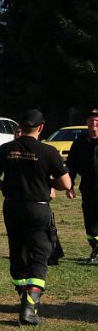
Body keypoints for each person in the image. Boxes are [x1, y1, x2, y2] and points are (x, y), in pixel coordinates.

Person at [0, 109, 72, 325]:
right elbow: (66, 184)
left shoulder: (6, 149)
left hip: (12, 207)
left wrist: (8, 188)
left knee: (18, 250)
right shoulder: (49, 152)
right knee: (40, 254)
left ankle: (24, 297)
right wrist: (48, 184)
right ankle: (29, 309)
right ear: (41, 128)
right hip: (37, 208)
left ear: (19, 128)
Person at [66, 107, 98, 265]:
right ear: (87, 122)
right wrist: (69, 185)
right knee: (91, 221)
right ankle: (95, 249)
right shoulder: (79, 142)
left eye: (97, 119)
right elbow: (71, 165)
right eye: (91, 119)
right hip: (89, 188)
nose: (94, 122)